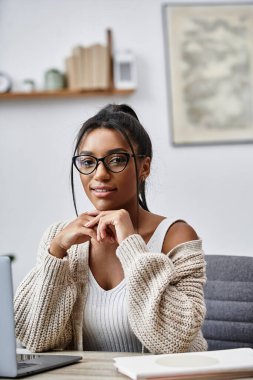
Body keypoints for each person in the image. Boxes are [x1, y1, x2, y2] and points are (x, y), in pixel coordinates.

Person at [14, 104, 207, 354]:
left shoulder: (176, 236)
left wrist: (131, 246)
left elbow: (176, 342)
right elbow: (35, 341)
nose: (100, 174)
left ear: (144, 168)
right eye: (88, 161)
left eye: (116, 160)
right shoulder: (60, 239)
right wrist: (57, 251)